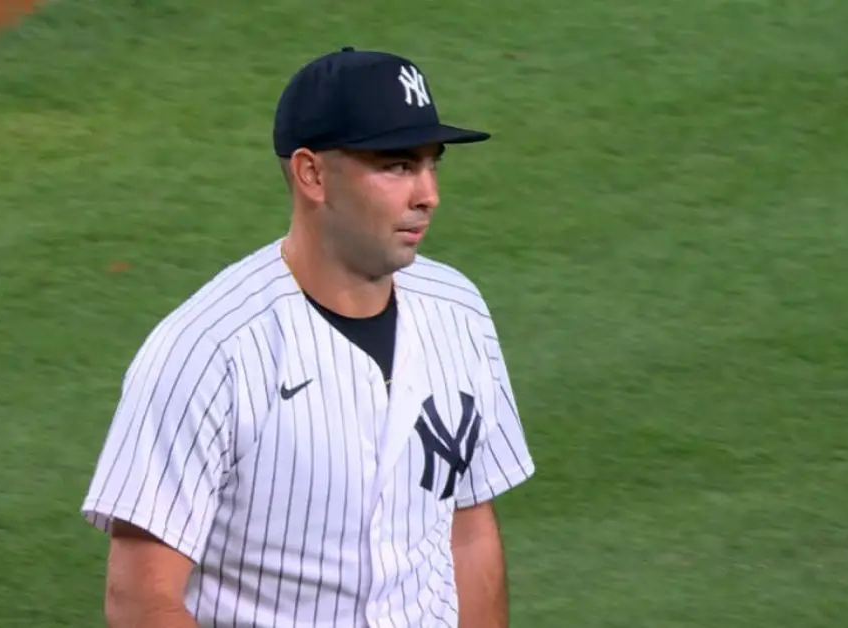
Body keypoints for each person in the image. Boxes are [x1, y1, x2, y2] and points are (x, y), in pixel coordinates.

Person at [79, 46, 536, 628]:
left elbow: (467, 532)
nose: (428, 194)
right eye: (397, 166)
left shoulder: (459, 311)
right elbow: (142, 602)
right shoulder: (210, 351)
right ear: (312, 174)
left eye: (431, 163)